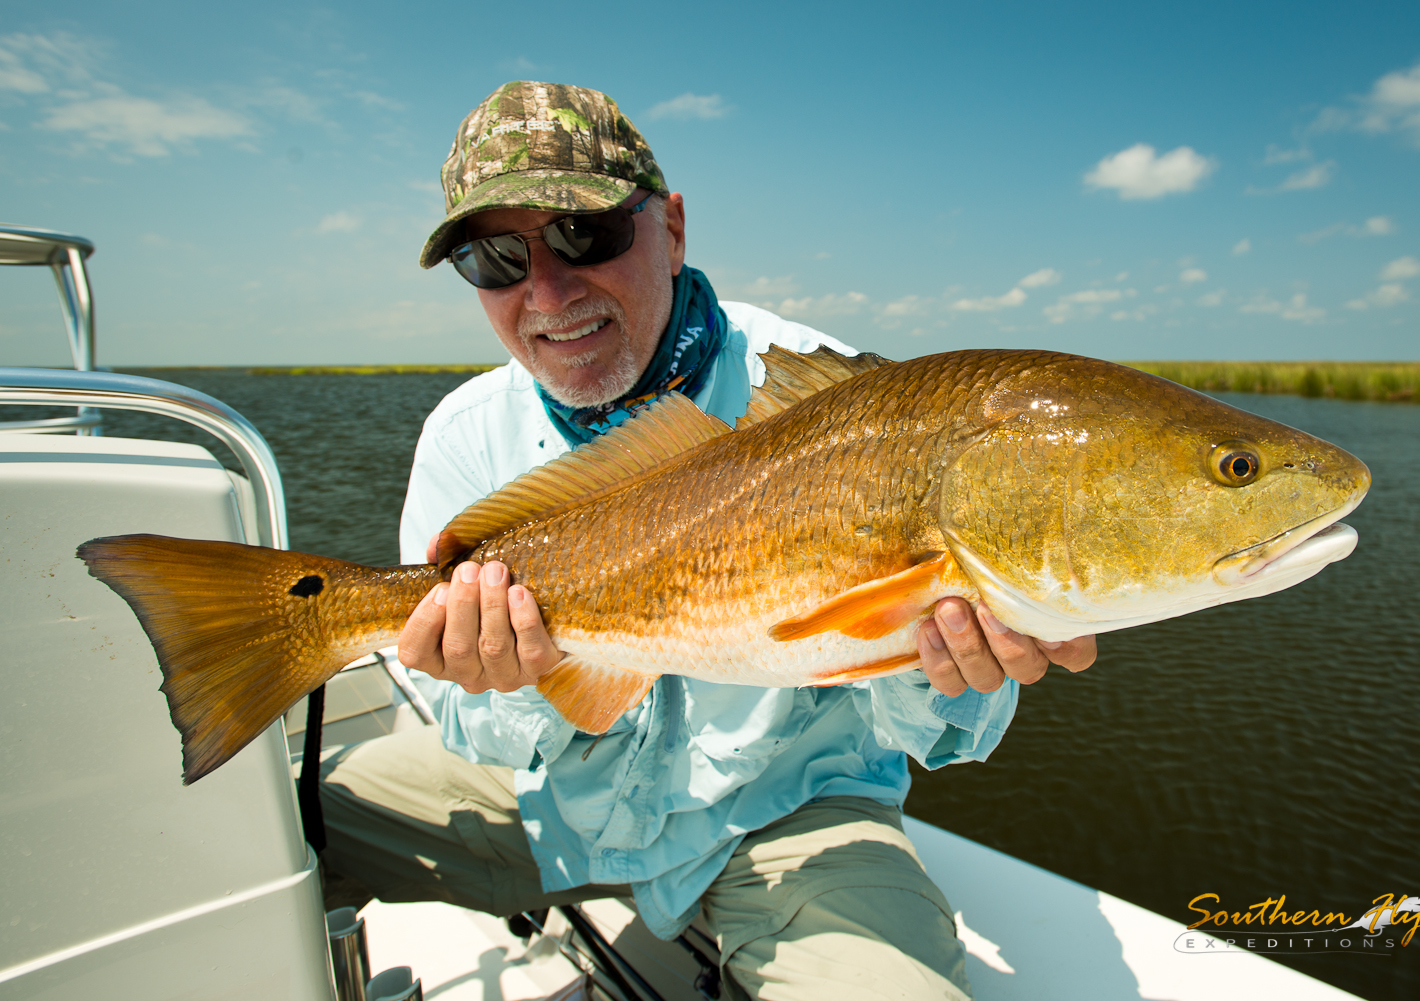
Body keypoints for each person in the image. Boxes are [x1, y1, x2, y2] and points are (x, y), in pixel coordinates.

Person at [320, 80, 1096, 1001]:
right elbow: (475, 729)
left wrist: (953, 665)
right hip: (560, 809)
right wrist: (506, 677)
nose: (549, 289)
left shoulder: (838, 401)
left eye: (586, 234)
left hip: (785, 822)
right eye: (495, 259)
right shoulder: (464, 437)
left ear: (673, 227)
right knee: (277, 824)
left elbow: (937, 733)